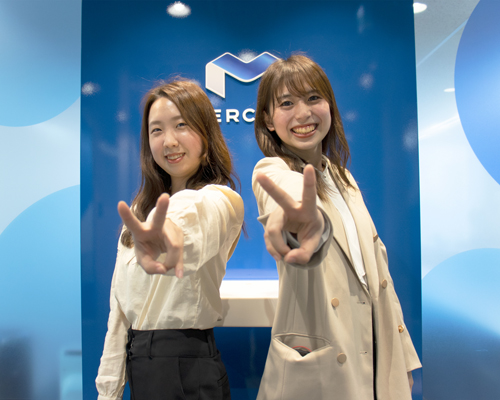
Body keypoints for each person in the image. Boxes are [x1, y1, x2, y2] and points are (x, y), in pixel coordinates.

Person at [252, 55, 421, 400]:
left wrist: (401, 357)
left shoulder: (343, 178)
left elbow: (380, 276)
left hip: (377, 357)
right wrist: (302, 223)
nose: (303, 114)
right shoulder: (271, 170)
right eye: (287, 103)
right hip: (323, 368)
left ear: (329, 105)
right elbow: (287, 199)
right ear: (268, 120)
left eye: (313, 97)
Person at [96, 79, 244, 400]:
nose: (169, 141)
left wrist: (169, 235)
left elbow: (191, 217)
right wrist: (108, 390)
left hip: (186, 370)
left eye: (181, 125)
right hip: (141, 365)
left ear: (206, 134)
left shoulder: (221, 199)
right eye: (157, 130)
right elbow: (119, 310)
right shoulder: (140, 212)